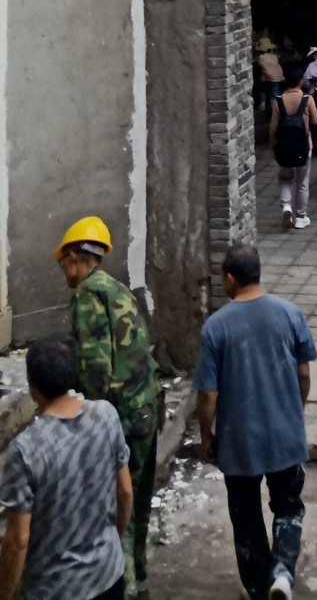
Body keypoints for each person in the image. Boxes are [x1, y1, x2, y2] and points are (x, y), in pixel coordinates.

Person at [195, 241, 317, 600]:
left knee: (246, 515)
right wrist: (295, 411)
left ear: (230, 279)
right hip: (285, 434)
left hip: (239, 440)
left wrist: (207, 436)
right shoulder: (290, 313)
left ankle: (258, 587)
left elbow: (208, 395)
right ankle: (282, 574)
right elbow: (304, 373)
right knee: (288, 507)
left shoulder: (216, 327)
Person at [54, 216, 161, 600]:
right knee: (141, 506)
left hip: (123, 416)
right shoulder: (117, 288)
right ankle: (141, 582)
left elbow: (96, 370)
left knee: (119, 512)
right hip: (148, 405)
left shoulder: (87, 295)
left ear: (74, 257)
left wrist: (84, 419)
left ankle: (125, 589)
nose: (63, 272)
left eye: (62, 263)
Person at [0, 333, 133, 600]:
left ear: (31, 382)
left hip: (56, 590)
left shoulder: (26, 450)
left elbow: (18, 540)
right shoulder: (106, 415)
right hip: (108, 576)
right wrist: (112, 543)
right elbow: (125, 492)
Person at [270, 62, 317, 231]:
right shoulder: (307, 99)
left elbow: (273, 127)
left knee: (285, 178)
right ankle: (301, 217)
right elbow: (316, 121)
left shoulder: (278, 101)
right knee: (302, 182)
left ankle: (286, 206)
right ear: (300, 82)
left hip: (284, 147)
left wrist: (272, 144)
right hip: (304, 146)